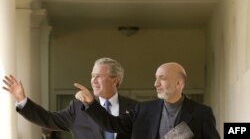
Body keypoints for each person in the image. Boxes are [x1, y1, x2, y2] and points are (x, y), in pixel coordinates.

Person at [74, 62, 221, 139]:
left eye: (162, 79)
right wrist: (91, 103)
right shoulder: (143, 109)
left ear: (179, 83)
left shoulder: (202, 113)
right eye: (156, 78)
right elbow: (114, 124)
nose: (155, 84)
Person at [2, 57, 137, 139]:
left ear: (115, 81)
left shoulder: (135, 108)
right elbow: (47, 119)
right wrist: (22, 100)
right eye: (92, 76)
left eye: (99, 76)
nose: (93, 81)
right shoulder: (78, 108)